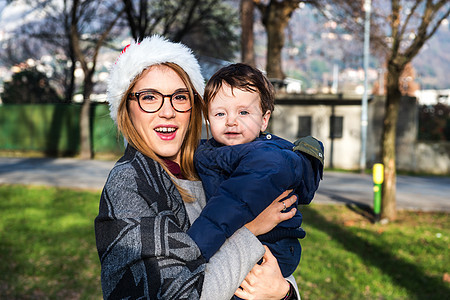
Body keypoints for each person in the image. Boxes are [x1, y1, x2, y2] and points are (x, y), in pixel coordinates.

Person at [94, 35, 300, 300]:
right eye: (149, 97)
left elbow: (278, 263)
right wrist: (248, 230)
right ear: (127, 108)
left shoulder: (215, 163)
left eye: (180, 97)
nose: (167, 111)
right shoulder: (130, 185)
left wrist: (284, 293)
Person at [188, 63, 324, 283]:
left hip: (270, 250)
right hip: (247, 243)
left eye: (243, 112)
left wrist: (191, 252)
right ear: (207, 118)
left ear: (264, 119)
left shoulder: (265, 159)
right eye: (220, 113)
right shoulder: (217, 149)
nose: (231, 121)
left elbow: (230, 205)